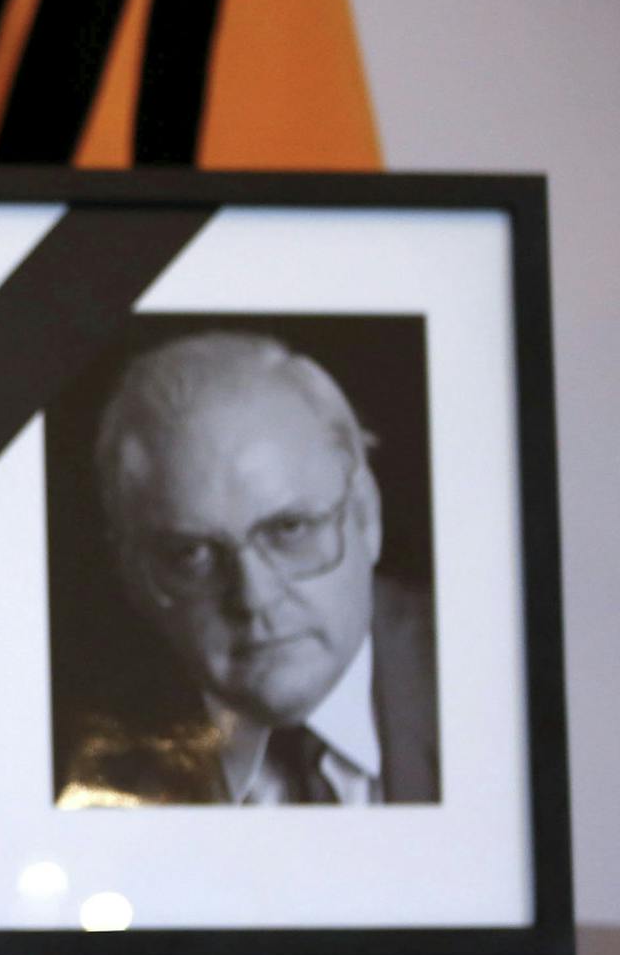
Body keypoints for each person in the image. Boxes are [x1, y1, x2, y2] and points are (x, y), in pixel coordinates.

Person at [59, 331, 439, 808]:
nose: (254, 598)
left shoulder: (490, 684)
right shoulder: (76, 765)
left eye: (290, 528)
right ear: (134, 573)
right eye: (193, 554)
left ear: (366, 516)